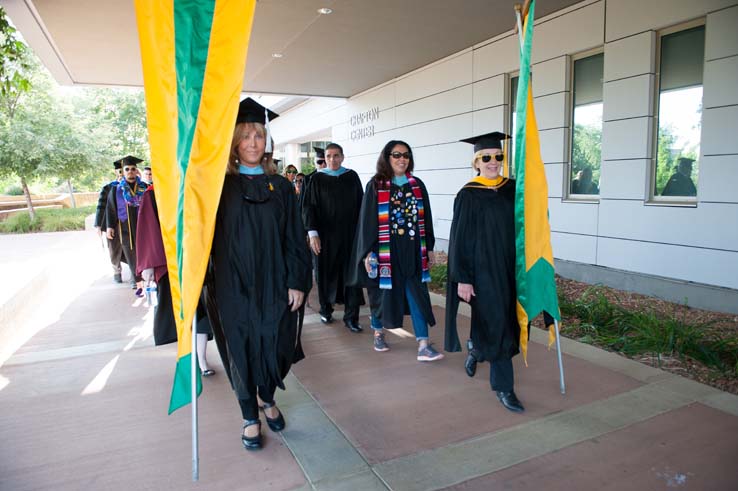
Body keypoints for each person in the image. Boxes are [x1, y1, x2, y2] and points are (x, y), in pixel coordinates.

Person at [205, 97, 311, 450]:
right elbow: (200, 234)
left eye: (259, 136)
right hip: (232, 285)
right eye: (246, 136)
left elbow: (295, 238)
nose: (253, 143)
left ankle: (267, 395)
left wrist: (297, 280)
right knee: (240, 349)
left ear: (267, 143)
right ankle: (250, 414)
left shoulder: (280, 187)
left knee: (276, 345)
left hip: (275, 282)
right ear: (234, 141)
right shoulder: (219, 187)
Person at [444, 131, 525, 413]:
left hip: (510, 269)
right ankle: (504, 387)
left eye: (498, 157)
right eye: (486, 157)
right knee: (497, 322)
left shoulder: (513, 188)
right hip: (482, 272)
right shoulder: (468, 194)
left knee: (503, 321)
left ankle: (476, 350)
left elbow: (527, 224)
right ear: (476, 161)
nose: (493, 162)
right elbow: (460, 239)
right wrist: (463, 278)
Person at [350, 140, 443, 361]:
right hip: (385, 251)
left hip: (412, 250)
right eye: (397, 154)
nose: (402, 159)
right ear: (387, 157)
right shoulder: (376, 185)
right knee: (382, 293)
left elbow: (426, 217)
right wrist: (368, 252)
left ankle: (423, 344)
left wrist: (428, 247)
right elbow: (367, 221)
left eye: (406, 155)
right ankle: (378, 330)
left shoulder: (417, 185)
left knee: (417, 293)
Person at [135, 184, 215, 376]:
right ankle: (187, 359)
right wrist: (148, 265)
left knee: (200, 313)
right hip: (169, 263)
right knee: (177, 315)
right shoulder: (153, 193)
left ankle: (202, 360)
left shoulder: (195, 186)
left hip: (197, 262)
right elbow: (148, 230)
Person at [301, 142, 365, 332]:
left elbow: (361, 204)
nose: (332, 159)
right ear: (325, 159)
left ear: (342, 157)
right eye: (328, 156)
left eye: (336, 156)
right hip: (325, 237)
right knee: (324, 273)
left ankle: (351, 317)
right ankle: (325, 309)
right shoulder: (317, 179)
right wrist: (312, 233)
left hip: (350, 236)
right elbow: (308, 207)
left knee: (351, 275)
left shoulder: (351, 177)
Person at [106, 155, 145, 294]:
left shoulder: (144, 188)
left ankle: (144, 277)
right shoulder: (116, 190)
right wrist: (109, 226)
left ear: (136, 171)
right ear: (123, 171)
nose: (130, 171)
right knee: (130, 251)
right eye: (127, 169)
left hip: (143, 227)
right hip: (125, 228)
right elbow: (110, 209)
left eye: (133, 169)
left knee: (143, 251)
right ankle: (137, 279)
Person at [94, 160, 125, 283]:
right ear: (116, 172)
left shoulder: (134, 187)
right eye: (120, 170)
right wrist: (98, 225)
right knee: (114, 248)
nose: (122, 173)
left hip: (128, 223)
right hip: (111, 224)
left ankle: (135, 274)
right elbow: (101, 207)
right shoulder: (108, 188)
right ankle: (117, 271)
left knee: (132, 248)